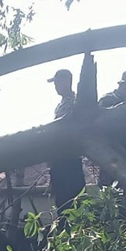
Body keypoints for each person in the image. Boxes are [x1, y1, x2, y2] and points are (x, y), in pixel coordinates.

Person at [46, 68, 87, 212]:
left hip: (69, 159)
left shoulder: (74, 103)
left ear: (66, 81)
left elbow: (66, 130)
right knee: (61, 203)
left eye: (57, 82)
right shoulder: (61, 104)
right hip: (59, 159)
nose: (55, 86)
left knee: (72, 203)